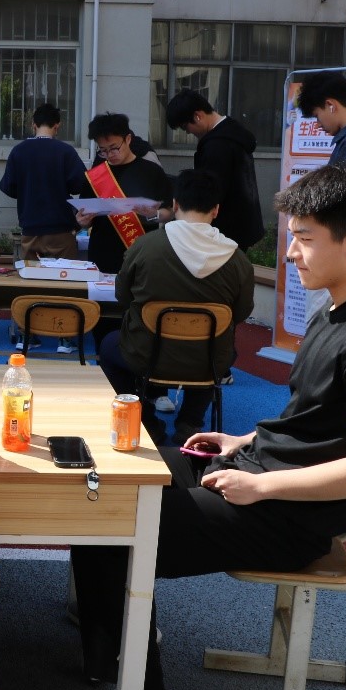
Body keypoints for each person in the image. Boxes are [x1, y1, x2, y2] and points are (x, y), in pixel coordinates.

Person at [71, 162, 346, 690]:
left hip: (289, 516)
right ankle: (121, 644)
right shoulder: (335, 309)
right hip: (260, 474)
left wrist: (260, 486)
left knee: (113, 531)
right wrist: (245, 439)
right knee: (101, 487)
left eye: (305, 239)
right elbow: (315, 419)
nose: (290, 254)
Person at [97, 169, 254, 447]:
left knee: (109, 347)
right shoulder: (237, 258)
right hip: (208, 361)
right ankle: (190, 423)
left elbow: (122, 296)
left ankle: (146, 420)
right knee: (217, 345)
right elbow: (240, 313)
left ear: (176, 204)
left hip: (147, 354)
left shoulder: (146, 247)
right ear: (216, 210)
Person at [165, 89, 265, 252]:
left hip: (224, 230)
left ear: (197, 116)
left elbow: (209, 192)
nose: (188, 132)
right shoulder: (233, 132)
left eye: (185, 127)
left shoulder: (217, 146)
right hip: (243, 223)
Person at [78, 112, 173, 275]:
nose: (109, 155)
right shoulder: (96, 175)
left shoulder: (152, 172)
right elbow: (85, 216)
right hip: (102, 255)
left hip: (141, 254)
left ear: (128, 139)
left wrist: (152, 214)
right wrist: (83, 222)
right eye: (103, 150)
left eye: (114, 148)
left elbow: (169, 213)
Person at [0, 103, 85, 261]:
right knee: (64, 274)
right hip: (61, 229)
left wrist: (26, 191)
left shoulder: (19, 151)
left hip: (30, 228)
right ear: (57, 126)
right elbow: (80, 185)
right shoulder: (65, 151)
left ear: (33, 124)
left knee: (31, 274)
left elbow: (8, 187)